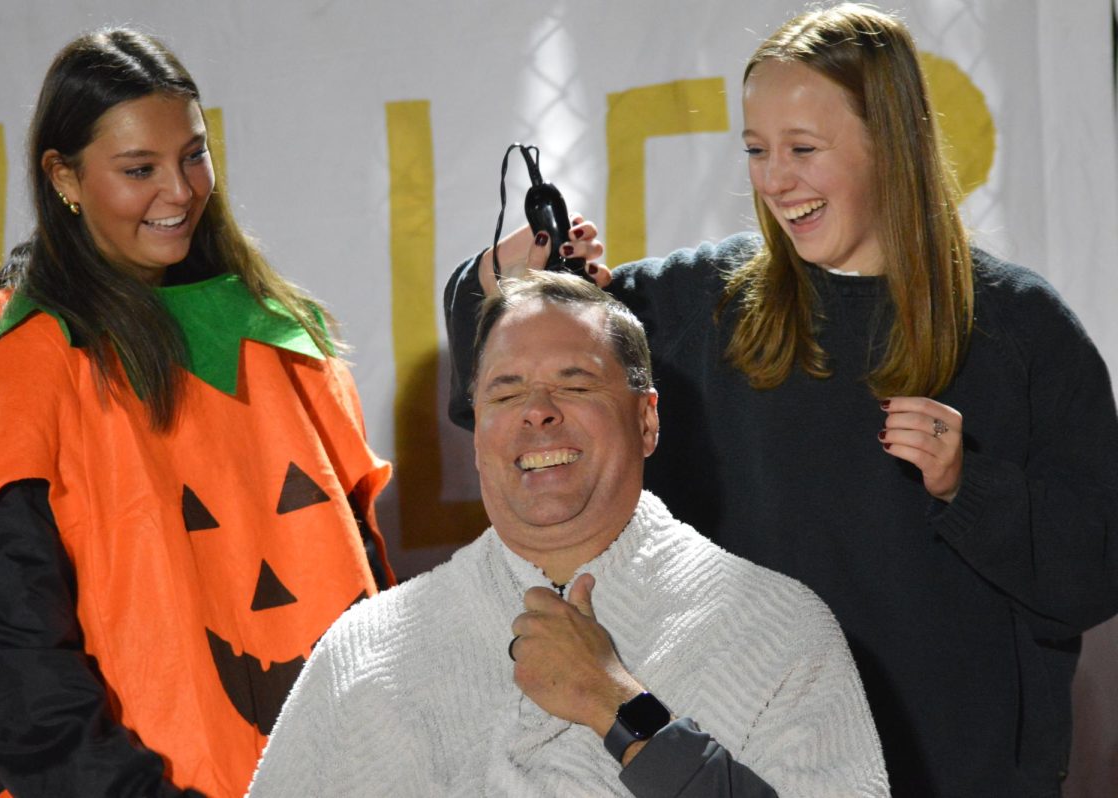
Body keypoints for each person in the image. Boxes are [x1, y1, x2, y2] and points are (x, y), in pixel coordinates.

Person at [443, 5, 1118, 796]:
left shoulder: (1016, 327)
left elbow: (1094, 572)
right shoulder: (703, 303)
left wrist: (968, 488)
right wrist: (502, 278)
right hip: (744, 768)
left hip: (956, 770)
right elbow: (519, 378)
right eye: (757, 150)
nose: (775, 179)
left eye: (803, 149)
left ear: (891, 145)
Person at [0, 29, 393, 797]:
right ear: (63, 177)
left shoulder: (278, 332)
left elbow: (360, 582)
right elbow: (14, 670)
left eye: (194, 155)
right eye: (139, 169)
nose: (180, 192)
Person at [250, 272, 888, 797]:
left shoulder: (778, 629)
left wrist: (621, 709)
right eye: (505, 394)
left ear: (646, 420)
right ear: (476, 438)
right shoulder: (365, 652)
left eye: (574, 384)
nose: (537, 411)